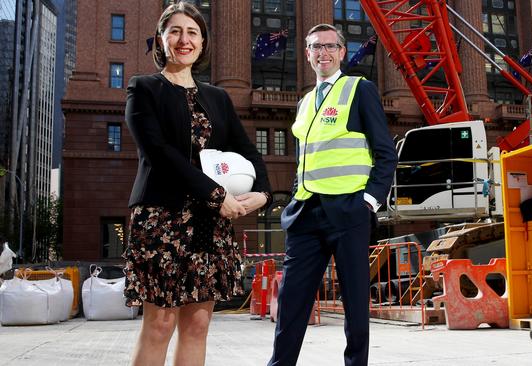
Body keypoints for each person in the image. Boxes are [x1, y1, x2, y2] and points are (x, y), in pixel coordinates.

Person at [123, 3, 271, 365]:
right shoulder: (143, 88)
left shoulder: (218, 97)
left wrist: (264, 194)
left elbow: (246, 147)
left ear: (203, 42)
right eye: (175, 31)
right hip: (162, 217)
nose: (183, 39)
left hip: (208, 223)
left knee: (199, 323)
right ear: (161, 38)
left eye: (192, 32)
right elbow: (158, 152)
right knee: (159, 323)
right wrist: (216, 194)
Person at [268, 24, 398, 366]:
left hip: (348, 210)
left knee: (355, 302)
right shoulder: (304, 102)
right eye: (315, 47)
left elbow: (385, 151)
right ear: (307, 54)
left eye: (330, 46)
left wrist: (369, 200)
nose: (322, 52)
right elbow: (305, 157)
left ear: (342, 52)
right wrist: (296, 195)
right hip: (306, 213)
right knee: (292, 300)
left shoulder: (360, 89)